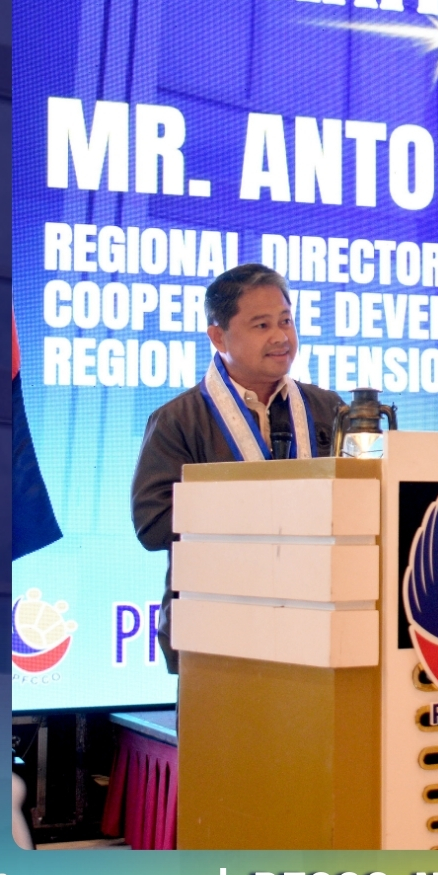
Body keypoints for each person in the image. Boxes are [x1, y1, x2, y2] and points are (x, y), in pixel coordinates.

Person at [131, 263, 344, 672]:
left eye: (286, 321)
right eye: (262, 325)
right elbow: (152, 525)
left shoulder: (330, 410)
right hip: (215, 636)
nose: (281, 337)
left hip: (320, 628)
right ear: (218, 336)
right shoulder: (178, 420)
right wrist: (259, 507)